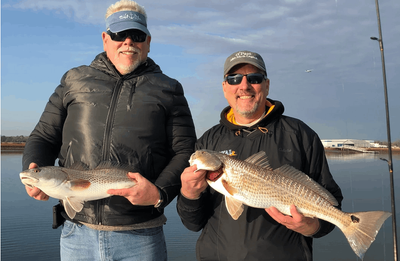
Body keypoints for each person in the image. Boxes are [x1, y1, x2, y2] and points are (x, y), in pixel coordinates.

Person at [22, 0, 196, 260]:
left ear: (147, 41)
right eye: (119, 34)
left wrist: (159, 194)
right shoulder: (73, 80)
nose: (128, 42)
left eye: (136, 35)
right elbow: (44, 136)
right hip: (76, 234)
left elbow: (185, 151)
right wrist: (35, 168)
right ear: (105, 38)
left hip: (141, 237)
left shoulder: (169, 89)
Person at [177, 50, 343, 261]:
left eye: (254, 78)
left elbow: (332, 203)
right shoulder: (209, 140)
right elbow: (192, 223)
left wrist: (312, 227)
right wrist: (189, 195)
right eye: (234, 78)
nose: (244, 86)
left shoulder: (301, 135)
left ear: (267, 84)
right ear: (225, 87)